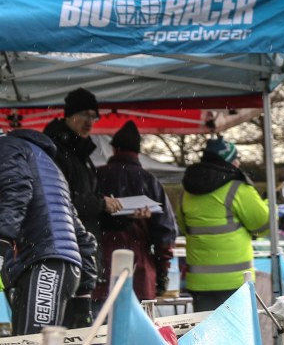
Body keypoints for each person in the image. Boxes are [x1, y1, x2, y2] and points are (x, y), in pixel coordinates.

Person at [0, 129, 98, 336]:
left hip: (47, 261)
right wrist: (84, 295)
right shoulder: (42, 161)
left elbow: (15, 191)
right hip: (51, 262)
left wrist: (2, 241)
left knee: (33, 341)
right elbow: (78, 233)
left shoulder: (7, 148)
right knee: (24, 340)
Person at [43, 87, 122, 326]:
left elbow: (87, 209)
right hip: (62, 253)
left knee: (80, 327)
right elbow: (57, 200)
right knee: (65, 327)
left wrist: (122, 215)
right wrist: (100, 202)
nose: (90, 121)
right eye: (84, 114)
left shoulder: (82, 155)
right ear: (69, 115)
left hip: (82, 253)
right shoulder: (55, 151)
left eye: (94, 116)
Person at [177, 137, 269, 312]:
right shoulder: (238, 188)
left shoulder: (186, 192)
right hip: (236, 281)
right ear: (230, 161)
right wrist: (268, 204)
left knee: (205, 329)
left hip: (200, 283)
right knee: (237, 329)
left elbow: (184, 228)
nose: (239, 164)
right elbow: (263, 227)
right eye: (237, 159)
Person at [93, 120, 178, 304]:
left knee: (100, 322)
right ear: (138, 152)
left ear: (114, 149)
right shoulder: (150, 181)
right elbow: (165, 234)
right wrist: (162, 273)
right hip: (139, 274)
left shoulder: (95, 176)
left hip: (100, 272)